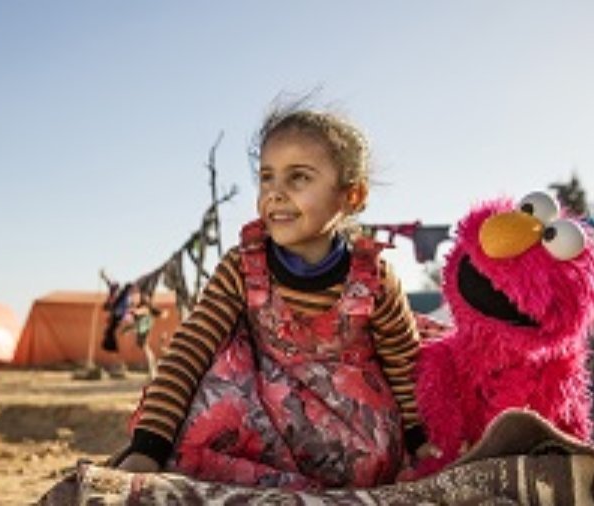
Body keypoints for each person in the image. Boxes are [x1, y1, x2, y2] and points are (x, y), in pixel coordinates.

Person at [114, 104, 432, 488]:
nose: (275, 193)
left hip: (351, 444)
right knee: (220, 363)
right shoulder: (242, 268)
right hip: (260, 428)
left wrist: (423, 443)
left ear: (352, 196)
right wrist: (148, 446)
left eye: (298, 178)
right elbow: (190, 349)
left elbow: (406, 368)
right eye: (267, 177)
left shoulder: (375, 279)